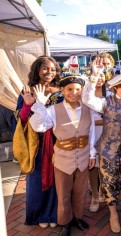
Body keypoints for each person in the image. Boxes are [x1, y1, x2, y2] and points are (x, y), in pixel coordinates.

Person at [29, 75, 97, 236]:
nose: (74, 93)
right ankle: (65, 222)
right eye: (69, 89)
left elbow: (92, 132)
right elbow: (39, 126)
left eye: (77, 89)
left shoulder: (88, 108)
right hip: (62, 160)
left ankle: (77, 218)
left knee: (80, 192)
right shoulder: (53, 109)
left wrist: (92, 154)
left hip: (83, 158)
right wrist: (39, 104)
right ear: (62, 90)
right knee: (64, 194)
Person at [82, 73, 121, 234]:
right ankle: (113, 215)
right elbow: (87, 99)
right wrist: (93, 79)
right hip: (107, 150)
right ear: (116, 87)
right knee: (108, 181)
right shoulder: (105, 102)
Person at [12, 56, 64, 228]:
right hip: (36, 142)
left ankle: (53, 214)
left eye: (52, 69)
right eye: (45, 68)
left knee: (57, 180)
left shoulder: (61, 90)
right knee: (36, 179)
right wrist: (28, 105)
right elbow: (20, 118)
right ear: (37, 69)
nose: (49, 72)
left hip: (58, 141)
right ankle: (39, 215)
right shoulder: (28, 89)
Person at [88, 67, 107, 213]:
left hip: (107, 135)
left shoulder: (111, 93)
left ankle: (102, 191)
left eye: (103, 75)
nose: (100, 78)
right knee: (92, 166)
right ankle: (94, 195)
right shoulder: (86, 93)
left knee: (104, 166)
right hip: (91, 133)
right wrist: (100, 122)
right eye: (97, 75)